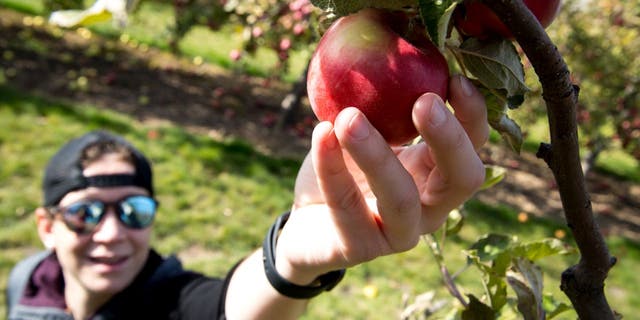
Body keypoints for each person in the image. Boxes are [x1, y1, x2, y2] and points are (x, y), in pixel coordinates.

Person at [6, 74, 488, 320]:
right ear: (46, 228)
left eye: (134, 211)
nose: (112, 233)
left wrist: (292, 261)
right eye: (86, 214)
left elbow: (228, 309)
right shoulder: (27, 284)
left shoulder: (171, 301)